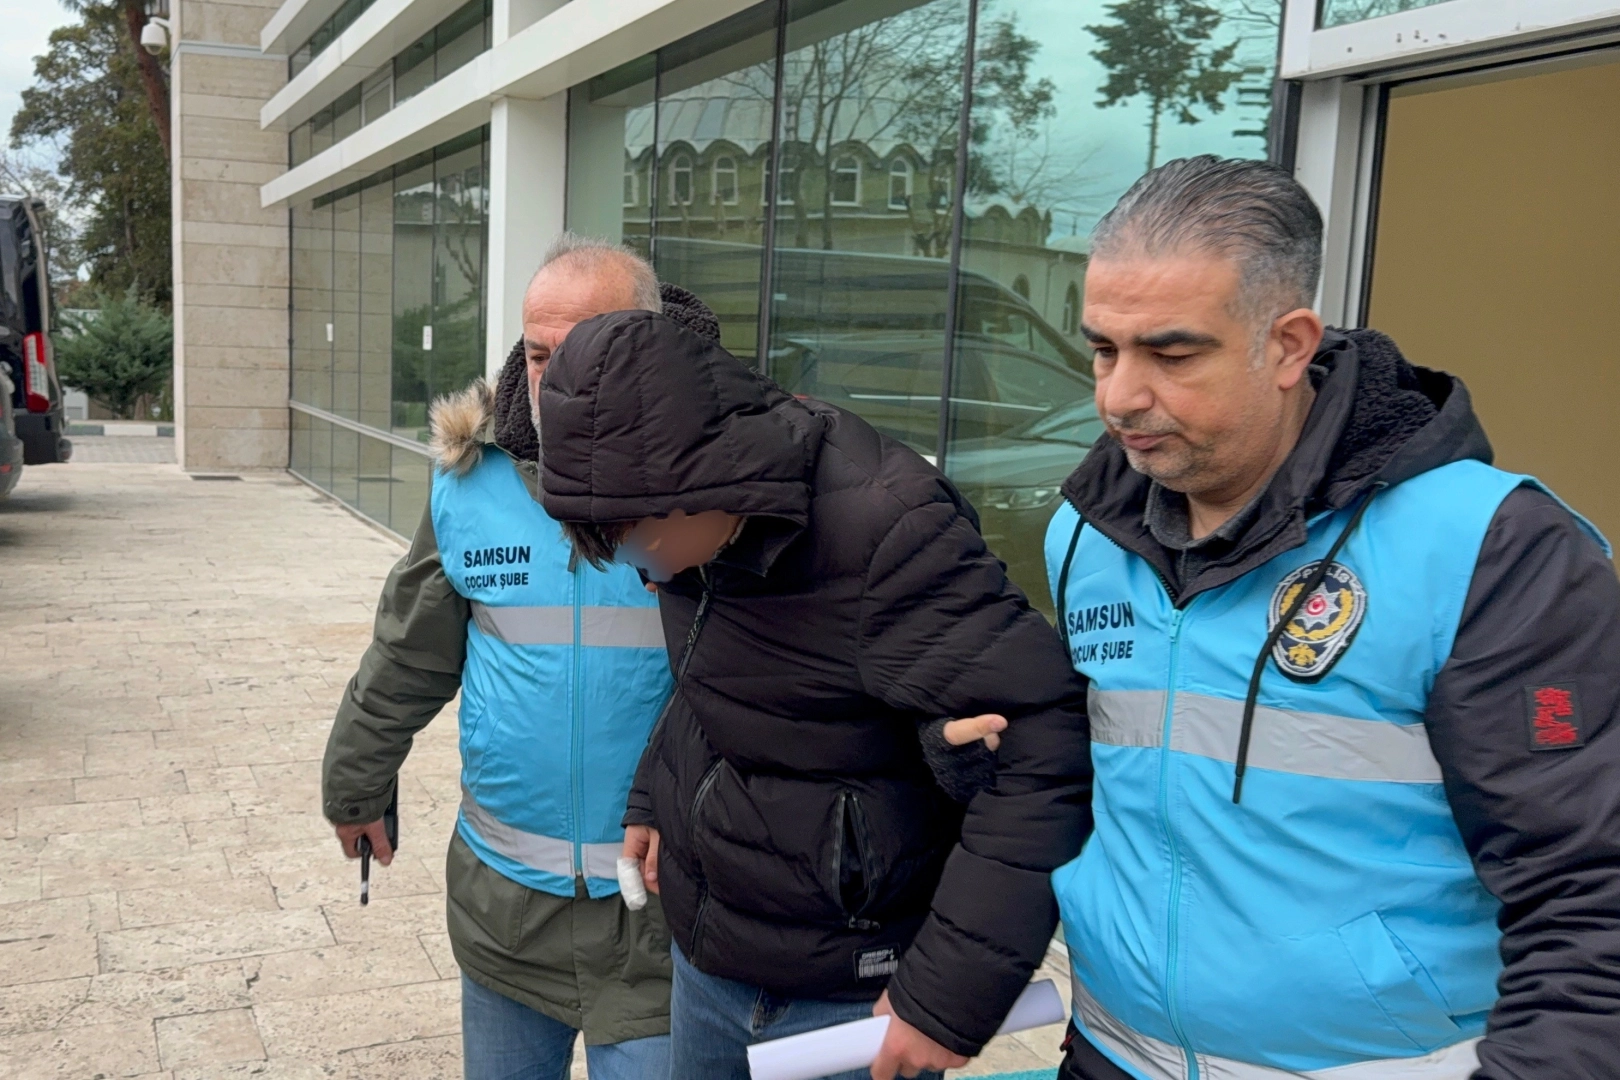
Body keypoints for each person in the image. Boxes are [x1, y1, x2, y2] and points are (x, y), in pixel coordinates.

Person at [1045, 155, 1620, 1080]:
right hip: (1115, 1054)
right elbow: (1104, 781)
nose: (1119, 396)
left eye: (1172, 354)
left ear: (1288, 345)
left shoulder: (1491, 549)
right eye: (1104, 350)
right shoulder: (1085, 531)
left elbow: (1590, 891)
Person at [536, 306, 1096, 1079]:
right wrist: (651, 798)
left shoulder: (889, 530)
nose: (643, 570)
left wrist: (949, 994)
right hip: (711, 957)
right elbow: (717, 678)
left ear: (704, 483)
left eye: (641, 544)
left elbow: (1044, 752)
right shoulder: (680, 530)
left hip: (851, 995)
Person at [321, 235, 723, 1080]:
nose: (557, 380)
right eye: (540, 355)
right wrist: (356, 781)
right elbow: (410, 650)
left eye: (590, 351)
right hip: (503, 916)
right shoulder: (472, 479)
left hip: (663, 919)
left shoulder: (721, 483)